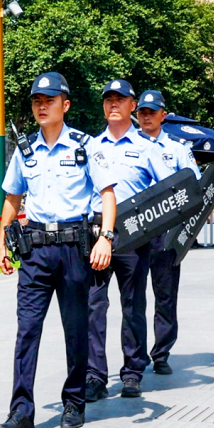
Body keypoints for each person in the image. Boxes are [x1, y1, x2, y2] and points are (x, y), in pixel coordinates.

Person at [0, 72, 117, 428]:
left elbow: (108, 195)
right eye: (36, 101)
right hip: (34, 252)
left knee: (76, 330)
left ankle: (74, 402)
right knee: (26, 330)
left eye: (49, 100)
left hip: (72, 248)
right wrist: (3, 241)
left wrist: (105, 239)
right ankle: (21, 412)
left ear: (65, 105)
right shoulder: (26, 150)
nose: (41, 106)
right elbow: (13, 199)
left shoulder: (85, 145)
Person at [85, 79, 174, 401]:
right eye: (108, 99)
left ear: (132, 106)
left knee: (133, 306)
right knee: (93, 305)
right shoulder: (91, 147)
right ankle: (94, 374)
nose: (113, 104)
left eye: (120, 100)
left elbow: (169, 191)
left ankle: (133, 371)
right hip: (96, 233)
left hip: (135, 233)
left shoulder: (148, 148)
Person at [136, 90, 201, 376]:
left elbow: (194, 185)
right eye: (142, 112)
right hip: (134, 231)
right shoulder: (127, 144)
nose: (146, 116)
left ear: (164, 115)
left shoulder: (178, 148)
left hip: (166, 233)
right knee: (133, 297)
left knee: (165, 295)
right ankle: (135, 358)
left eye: (152, 111)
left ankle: (161, 352)